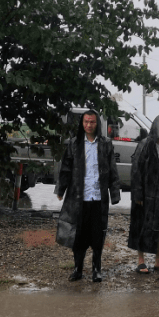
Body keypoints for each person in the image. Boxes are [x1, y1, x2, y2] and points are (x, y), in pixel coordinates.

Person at [56, 109, 121, 283]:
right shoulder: (74, 144)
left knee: (98, 235)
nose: (89, 125)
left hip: (98, 198)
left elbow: (113, 170)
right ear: (82, 123)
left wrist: (115, 194)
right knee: (78, 235)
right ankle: (77, 268)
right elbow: (65, 169)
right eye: (86, 122)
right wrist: (60, 190)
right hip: (79, 197)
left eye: (92, 122)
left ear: (97, 124)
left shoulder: (106, 144)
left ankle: (96, 269)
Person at [128, 115, 159, 273]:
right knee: (142, 226)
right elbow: (136, 171)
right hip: (146, 195)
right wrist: (137, 194)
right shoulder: (145, 145)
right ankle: (141, 261)